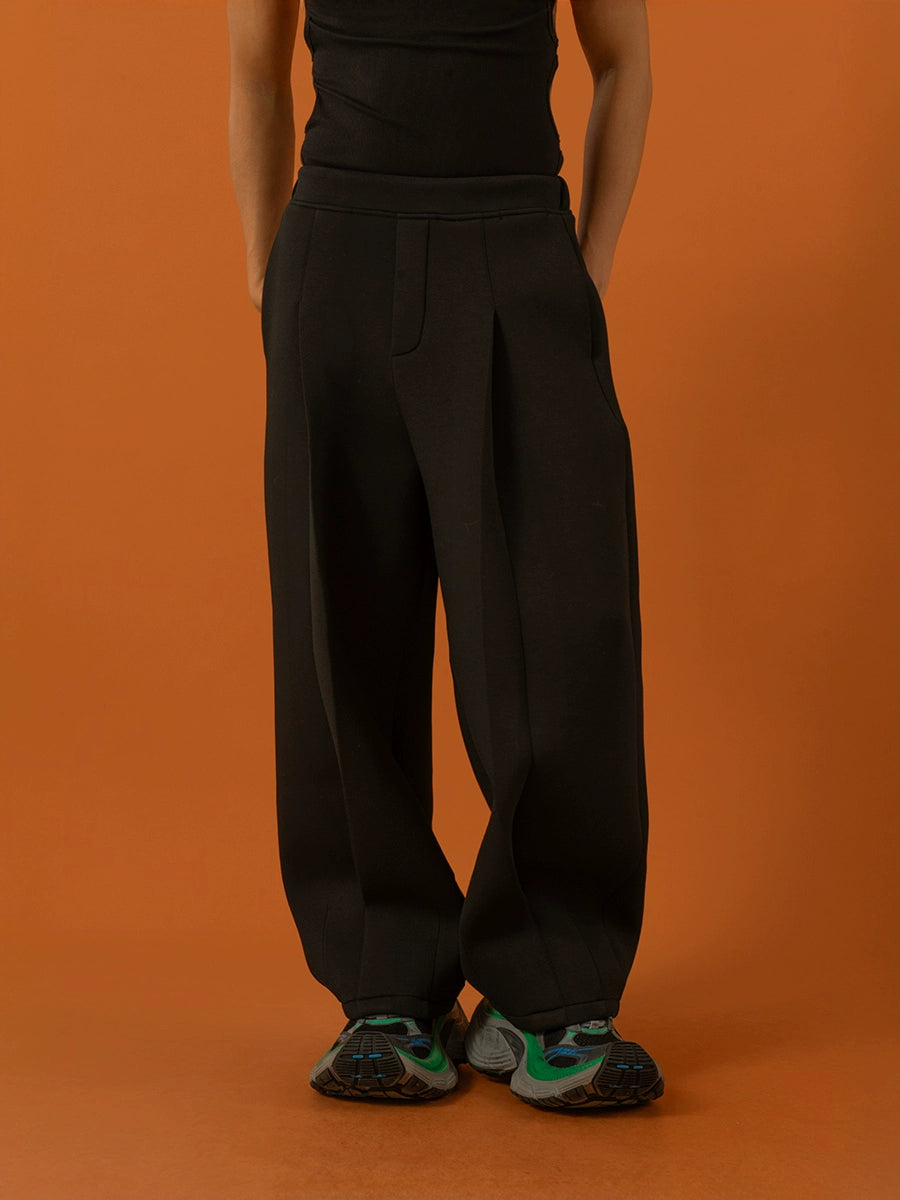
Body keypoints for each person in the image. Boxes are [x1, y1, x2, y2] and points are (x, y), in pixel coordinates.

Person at [227, 0, 663, 1110]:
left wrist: (586, 268)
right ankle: (387, 989)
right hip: (337, 248)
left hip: (519, 239)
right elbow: (255, 73)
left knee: (560, 628)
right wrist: (269, 279)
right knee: (343, 627)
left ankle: (552, 994)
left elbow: (624, 62)